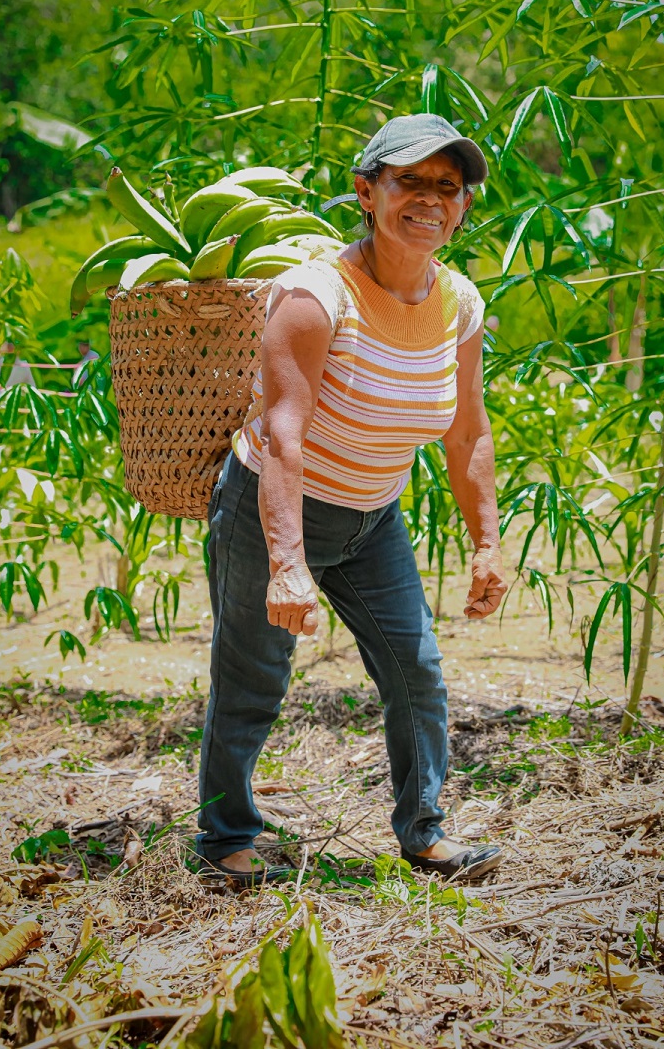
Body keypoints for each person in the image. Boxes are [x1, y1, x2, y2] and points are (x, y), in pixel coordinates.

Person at [197, 113, 508, 887]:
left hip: (373, 518)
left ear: (463, 205)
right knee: (254, 678)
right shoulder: (314, 294)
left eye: (450, 185)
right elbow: (283, 436)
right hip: (269, 510)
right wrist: (287, 563)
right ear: (367, 193)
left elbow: (466, 432)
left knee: (417, 668)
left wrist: (487, 543)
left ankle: (424, 832)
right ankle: (225, 838)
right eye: (411, 182)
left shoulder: (459, 304)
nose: (432, 199)